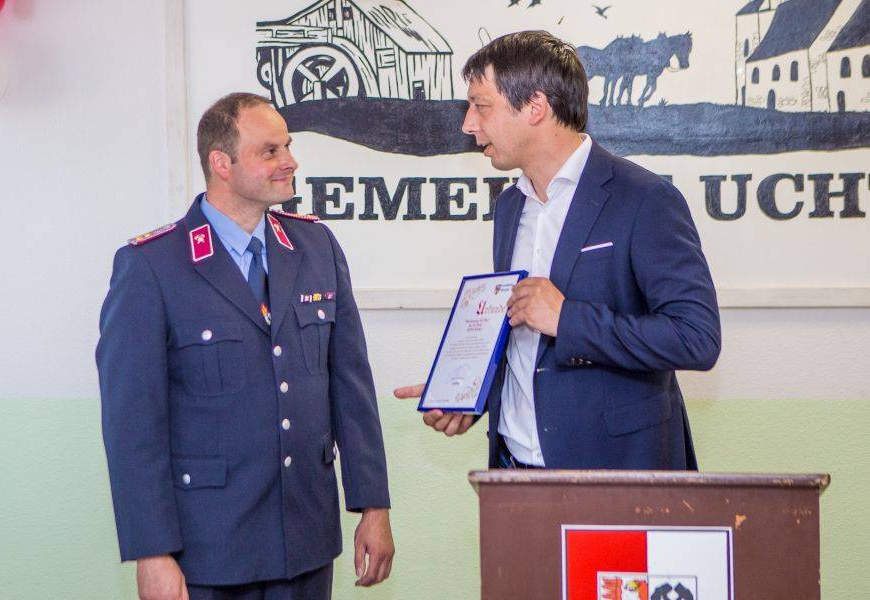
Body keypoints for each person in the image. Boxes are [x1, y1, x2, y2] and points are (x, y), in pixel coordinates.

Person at [97, 92, 393, 600]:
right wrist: (152, 552)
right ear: (222, 163)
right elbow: (133, 427)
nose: (289, 161)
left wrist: (374, 506)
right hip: (208, 551)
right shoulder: (152, 266)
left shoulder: (316, 247)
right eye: (270, 151)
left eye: (288, 146)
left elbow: (352, 388)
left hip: (306, 542)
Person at [396, 31, 721, 470]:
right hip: (512, 469)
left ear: (535, 106)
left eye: (481, 106)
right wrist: (472, 394)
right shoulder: (510, 205)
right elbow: (526, 342)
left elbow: (696, 338)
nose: (468, 125)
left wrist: (567, 318)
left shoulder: (645, 199)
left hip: (614, 474)